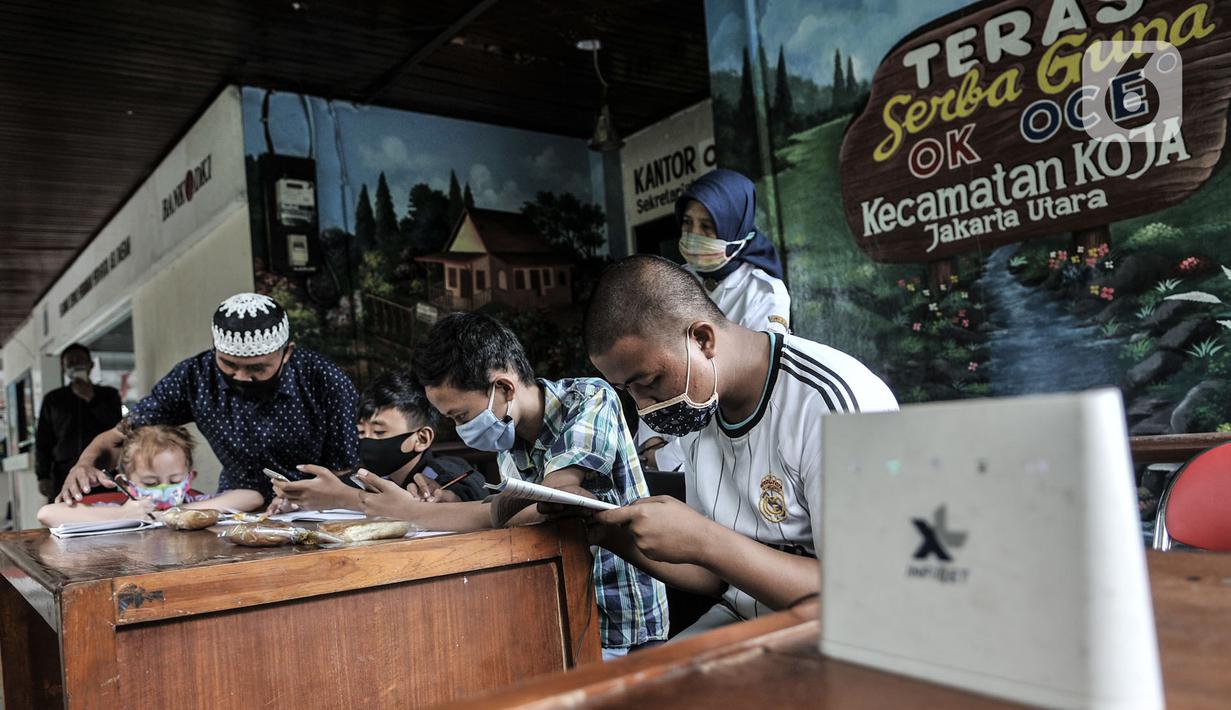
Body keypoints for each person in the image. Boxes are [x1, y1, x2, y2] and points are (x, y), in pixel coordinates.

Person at [583, 254, 897, 638]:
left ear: (702, 339)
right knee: (626, 694)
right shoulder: (700, 406)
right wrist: (615, 535)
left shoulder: (831, 403)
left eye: (648, 381)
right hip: (744, 618)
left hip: (839, 632)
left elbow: (866, 593)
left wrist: (704, 539)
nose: (644, 406)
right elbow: (717, 577)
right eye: (627, 390)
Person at [354, 312, 669, 659]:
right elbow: (511, 511)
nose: (462, 430)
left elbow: (552, 503)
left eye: (461, 416)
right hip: (560, 618)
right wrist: (449, 507)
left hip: (624, 628)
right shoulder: (510, 442)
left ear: (503, 388)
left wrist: (415, 513)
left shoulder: (590, 399)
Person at [56, 293, 358, 506]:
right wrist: (84, 464)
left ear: (287, 353)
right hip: (233, 509)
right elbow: (121, 436)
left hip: (317, 512)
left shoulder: (325, 380)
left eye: (258, 368)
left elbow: (347, 469)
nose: (241, 376)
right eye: (228, 364)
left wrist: (312, 499)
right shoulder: (195, 377)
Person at [641, 169, 792, 472]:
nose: (694, 235)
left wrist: (670, 458)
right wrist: (651, 441)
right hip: (660, 446)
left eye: (708, 226)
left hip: (730, 450)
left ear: (734, 225)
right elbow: (655, 368)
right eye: (687, 223)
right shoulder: (677, 281)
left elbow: (745, 388)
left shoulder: (763, 293)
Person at [270, 368, 487, 512]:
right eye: (362, 433)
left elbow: (472, 494)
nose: (368, 442)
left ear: (422, 438)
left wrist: (451, 501)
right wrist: (298, 501)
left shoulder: (446, 474)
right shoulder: (366, 478)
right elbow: (336, 490)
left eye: (380, 433)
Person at [38, 423, 262, 526]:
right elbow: (47, 514)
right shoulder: (125, 510)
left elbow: (253, 497)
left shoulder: (195, 503)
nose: (164, 488)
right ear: (125, 483)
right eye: (150, 482)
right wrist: (121, 515)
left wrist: (179, 512)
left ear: (189, 477)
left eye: (174, 480)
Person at [35, 343, 123, 501]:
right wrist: (43, 475)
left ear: (91, 365)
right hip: (64, 471)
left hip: (102, 469)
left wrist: (91, 399)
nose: (76, 365)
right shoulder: (54, 399)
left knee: (107, 511)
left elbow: (118, 428)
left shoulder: (108, 395)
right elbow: (43, 440)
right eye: (71, 363)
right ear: (64, 368)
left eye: (80, 361)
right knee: (65, 513)